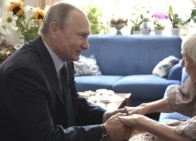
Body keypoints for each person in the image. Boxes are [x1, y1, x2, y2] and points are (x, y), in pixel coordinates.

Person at [0, 2, 131, 141]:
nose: (86, 45)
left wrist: (106, 115)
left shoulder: (64, 58)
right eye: (81, 35)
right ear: (54, 29)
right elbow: (45, 137)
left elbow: (74, 103)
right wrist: (104, 131)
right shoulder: (24, 72)